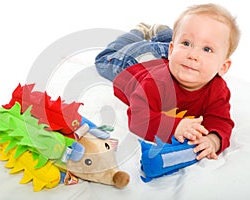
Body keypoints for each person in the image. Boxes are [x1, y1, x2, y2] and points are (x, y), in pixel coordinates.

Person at [94, 3, 240, 160]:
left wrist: (213, 139)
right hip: (135, 63)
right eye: (187, 43)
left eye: (207, 49)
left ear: (223, 67)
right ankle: (137, 32)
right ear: (172, 50)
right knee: (104, 59)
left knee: (182, 38)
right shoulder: (156, 82)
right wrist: (175, 126)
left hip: (168, 55)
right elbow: (138, 118)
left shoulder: (218, 89)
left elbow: (220, 120)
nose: (193, 54)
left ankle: (165, 34)